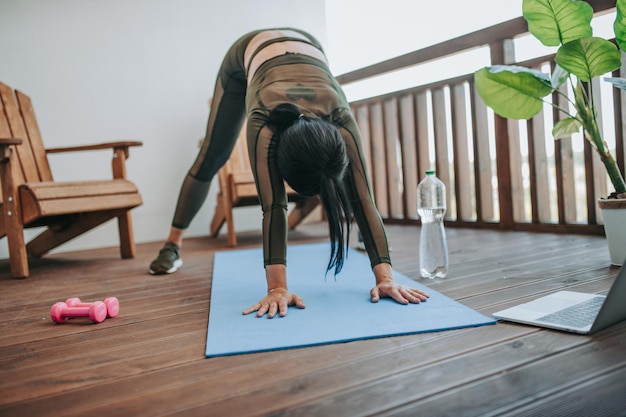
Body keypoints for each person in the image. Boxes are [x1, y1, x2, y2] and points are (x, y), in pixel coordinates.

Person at [149, 28, 429, 318]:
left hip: (307, 44)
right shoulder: (264, 121)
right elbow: (274, 206)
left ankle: (375, 254)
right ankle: (172, 245)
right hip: (248, 51)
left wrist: (386, 278)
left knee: (357, 187)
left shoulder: (340, 119)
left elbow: (362, 198)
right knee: (213, 154)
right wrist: (277, 288)